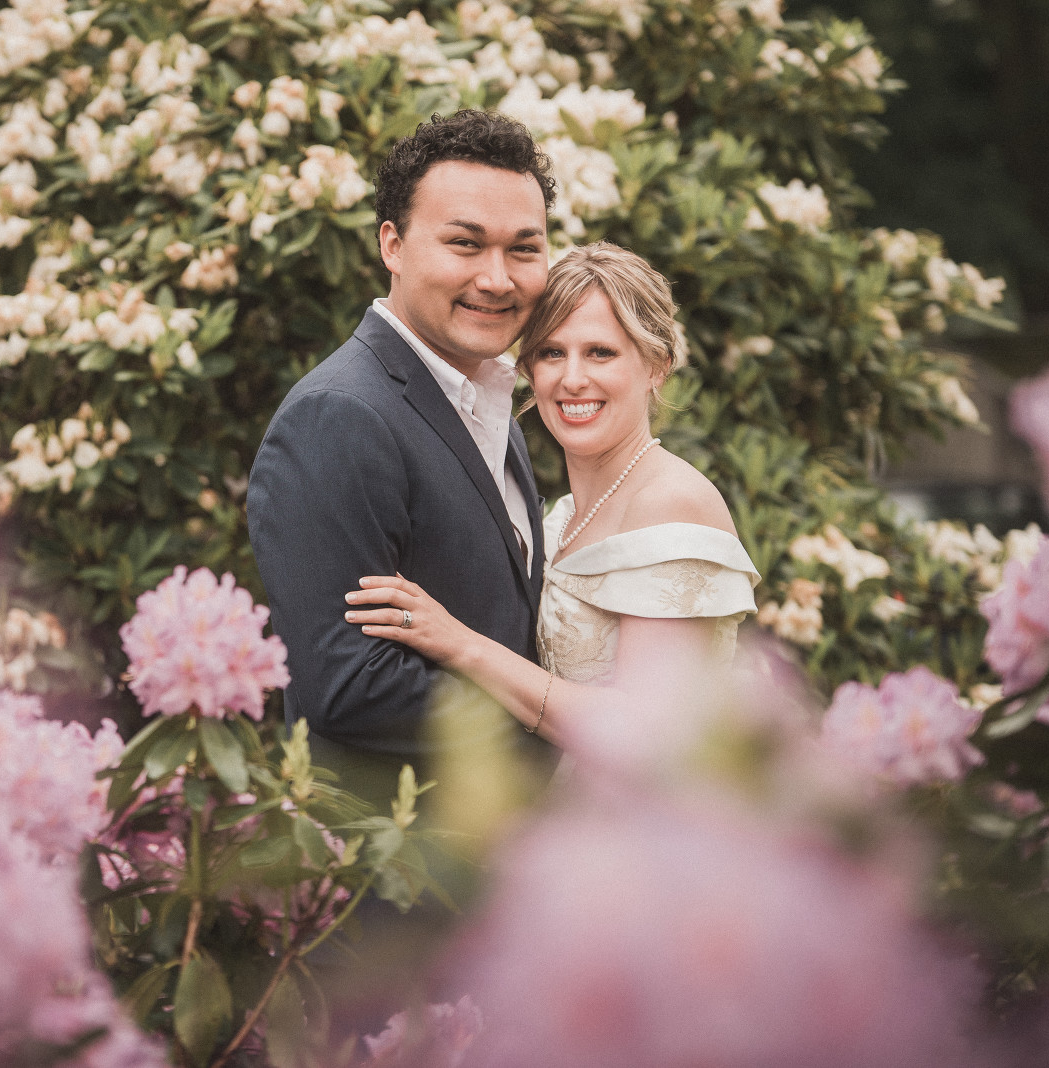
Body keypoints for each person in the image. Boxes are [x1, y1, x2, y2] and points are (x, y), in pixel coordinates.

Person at [247, 110, 558, 805]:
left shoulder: (491, 401)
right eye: (465, 244)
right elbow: (350, 685)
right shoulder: (339, 416)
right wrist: (560, 719)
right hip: (400, 852)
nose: (497, 278)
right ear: (393, 244)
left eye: (523, 249)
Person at [343, 243, 760, 746]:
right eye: (552, 353)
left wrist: (459, 645)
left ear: (657, 367)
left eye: (600, 352)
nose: (573, 379)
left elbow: (647, 735)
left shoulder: (671, 504)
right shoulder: (563, 517)